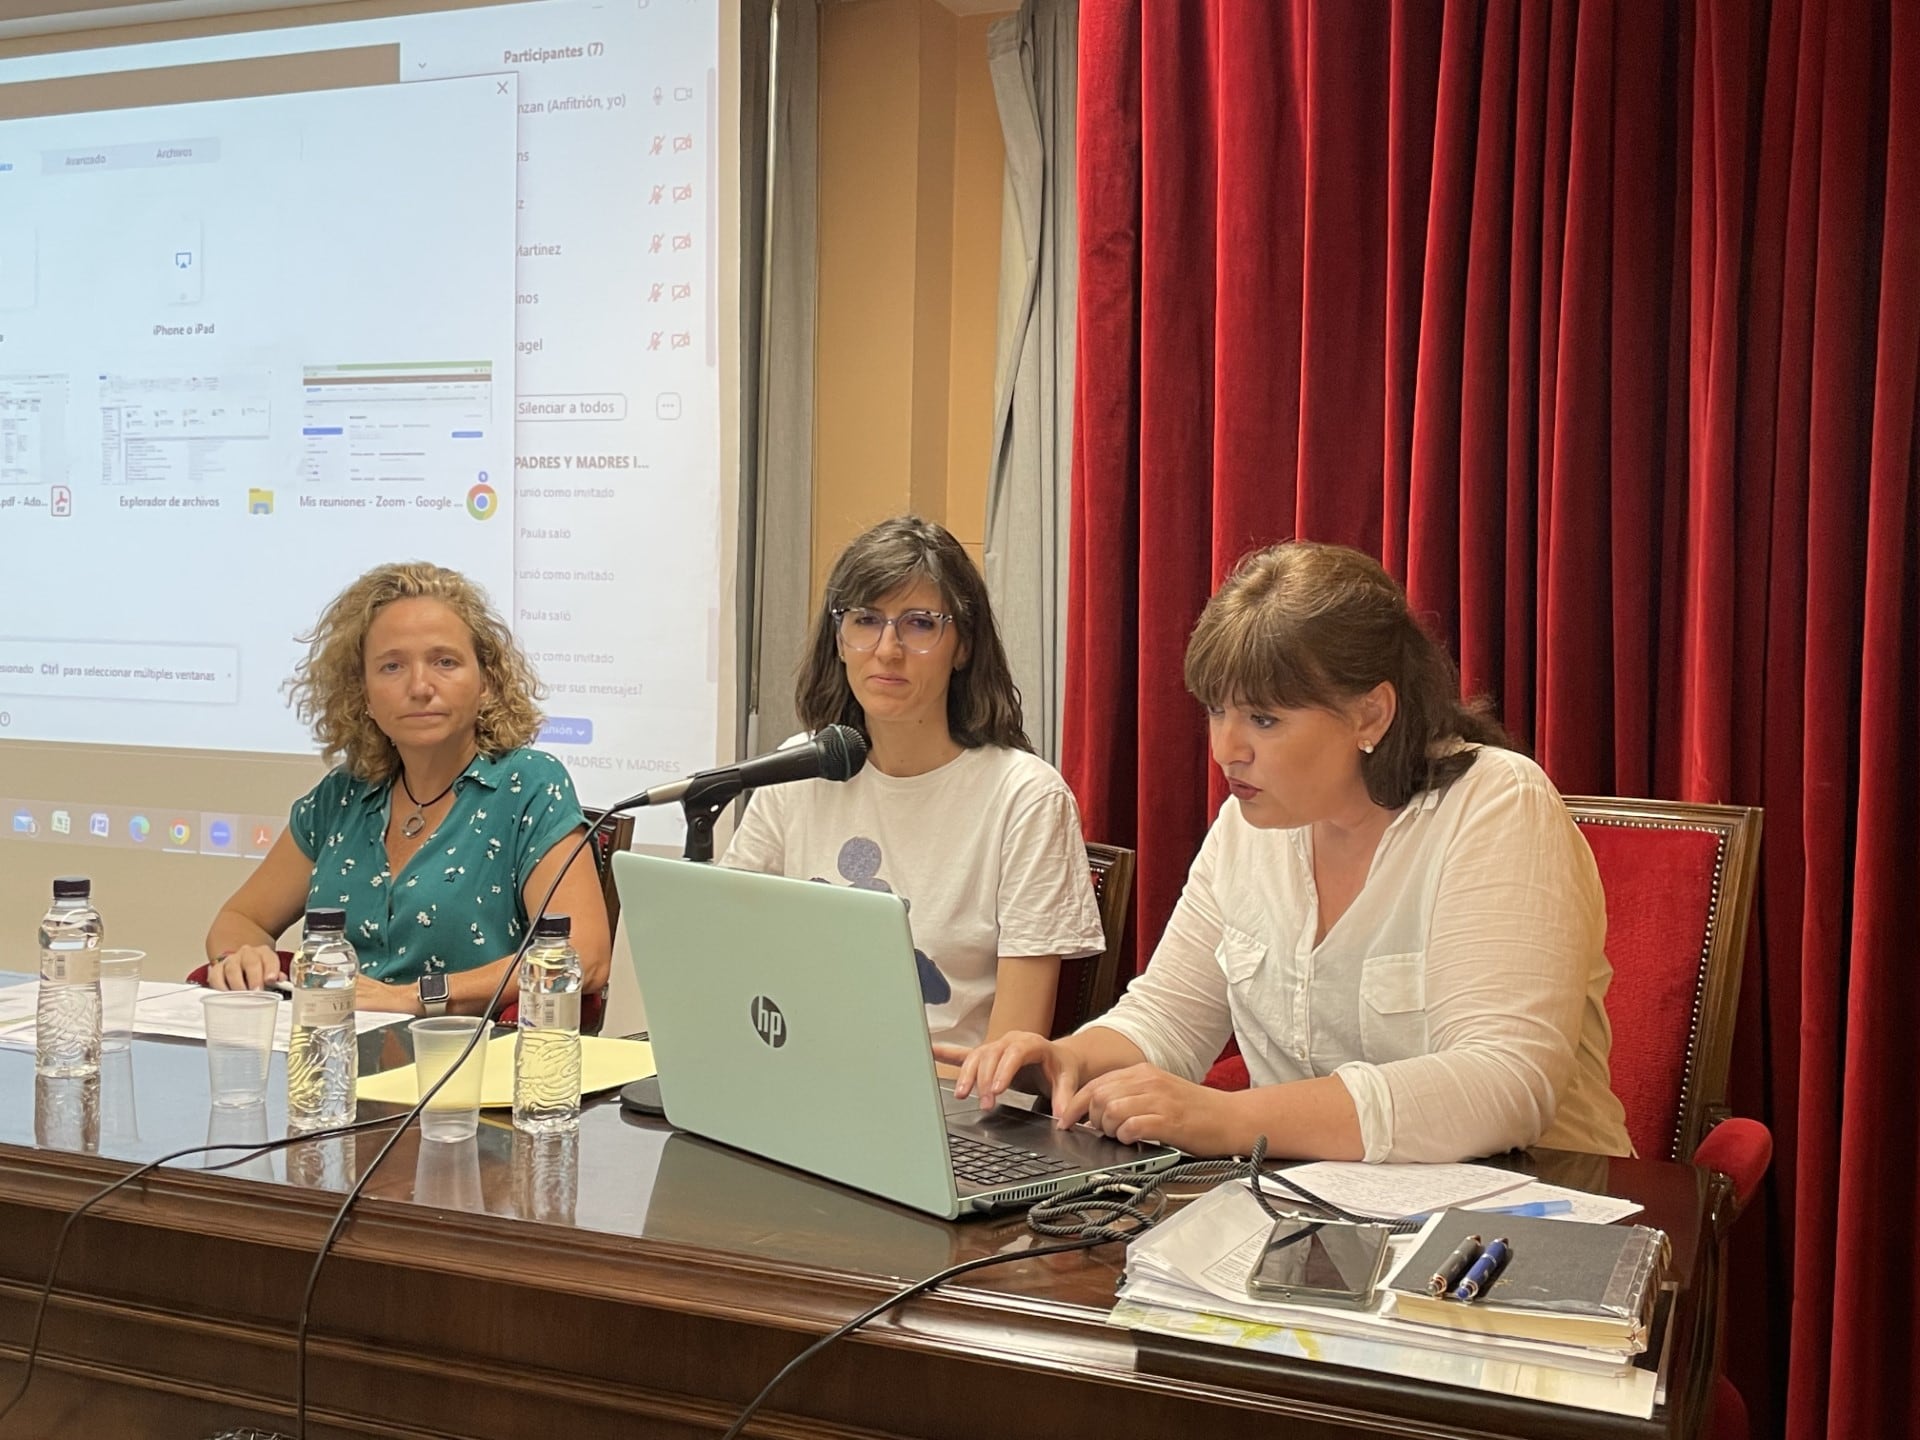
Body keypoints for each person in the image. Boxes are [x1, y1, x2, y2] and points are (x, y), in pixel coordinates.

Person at [941, 540, 1633, 1164]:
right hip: (1313, 1215)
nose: (1226, 749)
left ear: (1370, 714)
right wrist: (1062, 1061)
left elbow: (1503, 1083)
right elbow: (1167, 1019)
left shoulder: (1496, 802)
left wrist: (1232, 1117)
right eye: (1217, 710)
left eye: (1264, 719)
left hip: (1532, 1214)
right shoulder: (1249, 825)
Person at [722, 516, 1105, 1049]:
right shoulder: (796, 770)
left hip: (949, 1108)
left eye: (920, 624)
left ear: (963, 647)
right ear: (839, 640)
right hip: (798, 1077)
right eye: (865, 620)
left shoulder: (1025, 797)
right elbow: (730, 961)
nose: (887, 649)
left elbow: (1009, 1058)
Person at [204, 562, 610, 1014]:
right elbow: (239, 920)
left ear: (487, 683)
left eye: (445, 662)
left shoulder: (527, 785)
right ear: (363, 696)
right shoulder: (341, 797)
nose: (419, 687)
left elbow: (581, 959)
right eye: (392, 666)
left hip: (466, 1065)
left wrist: (412, 999)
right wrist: (243, 956)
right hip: (332, 1059)